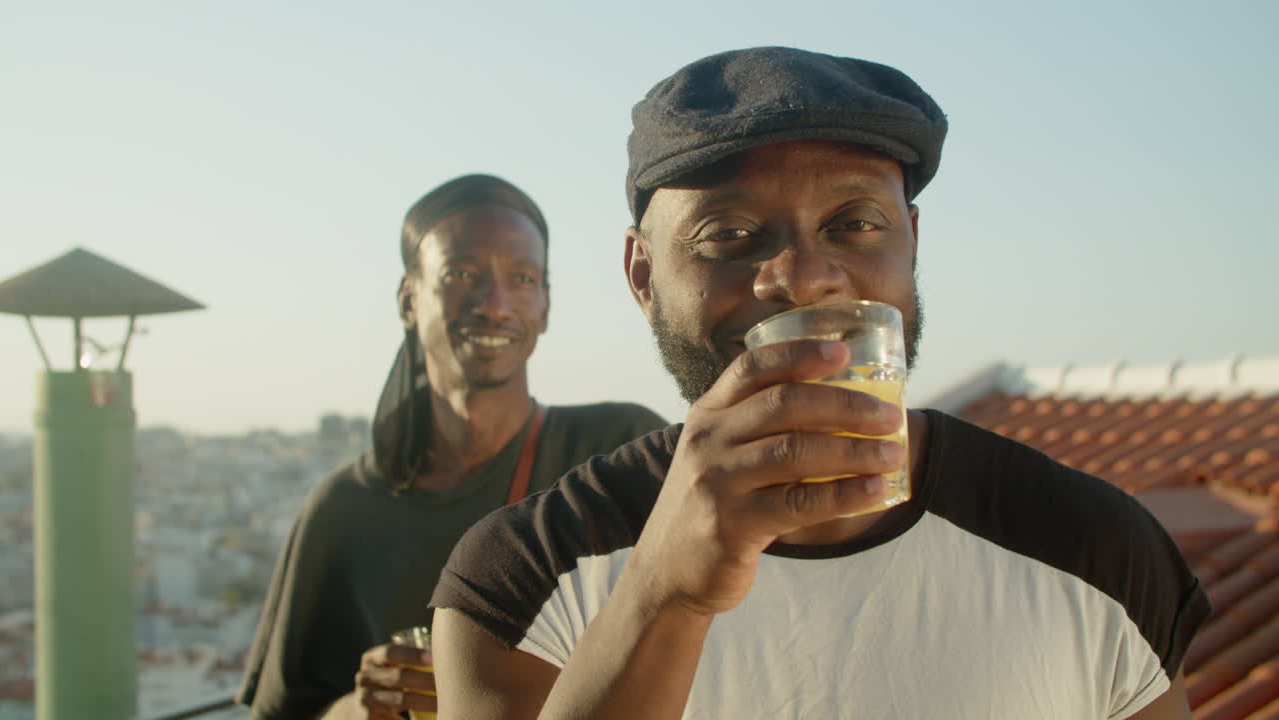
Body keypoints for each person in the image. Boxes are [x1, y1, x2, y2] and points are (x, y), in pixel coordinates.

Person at [428, 48, 1211, 719]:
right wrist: (665, 594)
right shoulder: (521, 582)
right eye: (728, 235)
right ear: (642, 275)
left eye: (855, 224)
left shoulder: (1096, 549)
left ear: (911, 244)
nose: (802, 280)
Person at [236, 174, 667, 720]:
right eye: (462, 274)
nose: (495, 304)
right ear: (408, 299)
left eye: (522, 278)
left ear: (546, 306)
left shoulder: (616, 451)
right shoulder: (342, 512)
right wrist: (363, 707)